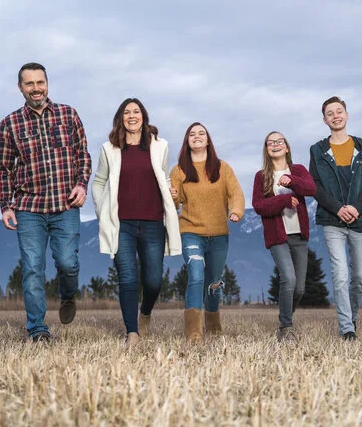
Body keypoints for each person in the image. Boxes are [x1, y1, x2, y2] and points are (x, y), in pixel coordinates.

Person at [0, 62, 91, 343]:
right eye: (29, 83)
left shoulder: (68, 114)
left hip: (65, 205)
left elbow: (82, 155)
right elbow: (3, 168)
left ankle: (68, 294)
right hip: (29, 208)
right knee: (32, 268)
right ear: (20, 88)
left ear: (47, 83)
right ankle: (37, 329)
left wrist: (81, 184)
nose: (36, 88)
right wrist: (6, 205)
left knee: (67, 263)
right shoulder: (9, 124)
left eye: (40, 82)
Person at [91, 98, 181, 346]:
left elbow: (162, 177)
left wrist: (171, 190)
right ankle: (132, 332)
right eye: (127, 112)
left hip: (153, 224)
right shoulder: (109, 149)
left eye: (136, 112)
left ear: (144, 116)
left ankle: (146, 312)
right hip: (122, 225)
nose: (132, 116)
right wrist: (102, 209)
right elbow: (98, 183)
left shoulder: (159, 146)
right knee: (128, 278)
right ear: (121, 118)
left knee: (153, 282)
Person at [309, 96, 362, 340]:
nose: (335, 116)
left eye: (339, 111)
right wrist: (338, 209)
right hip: (332, 221)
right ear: (325, 120)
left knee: (358, 277)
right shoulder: (317, 151)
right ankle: (347, 329)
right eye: (330, 113)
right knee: (340, 274)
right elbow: (315, 186)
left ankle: (353, 317)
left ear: (347, 115)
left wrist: (357, 207)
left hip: (361, 219)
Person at [169, 122, 245, 342]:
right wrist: (172, 195)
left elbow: (236, 193)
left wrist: (237, 211)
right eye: (192, 134)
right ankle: (193, 331)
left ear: (208, 139)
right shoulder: (179, 170)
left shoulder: (222, 168)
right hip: (190, 231)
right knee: (196, 275)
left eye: (201, 133)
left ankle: (213, 326)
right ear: (187, 141)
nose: (197, 136)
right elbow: (174, 202)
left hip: (219, 233)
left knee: (214, 281)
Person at [252, 131, 316, 342]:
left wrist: (291, 182)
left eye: (279, 141)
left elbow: (310, 188)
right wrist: (284, 201)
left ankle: (286, 314)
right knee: (288, 278)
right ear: (267, 150)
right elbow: (259, 206)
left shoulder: (298, 170)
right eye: (270, 142)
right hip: (277, 236)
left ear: (287, 147)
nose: (275, 144)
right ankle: (285, 328)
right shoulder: (261, 177)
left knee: (299, 288)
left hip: (299, 234)